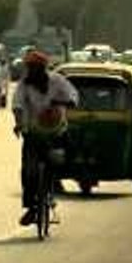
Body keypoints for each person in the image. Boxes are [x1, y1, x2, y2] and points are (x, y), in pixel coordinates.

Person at [12, 50, 79, 227]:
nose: (31, 71)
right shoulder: (24, 85)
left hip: (56, 131)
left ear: (42, 69)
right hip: (33, 132)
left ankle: (53, 183)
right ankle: (31, 207)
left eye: (34, 68)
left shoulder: (57, 81)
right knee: (28, 171)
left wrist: (63, 103)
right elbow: (17, 105)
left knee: (60, 159)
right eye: (29, 68)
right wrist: (19, 123)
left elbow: (73, 96)